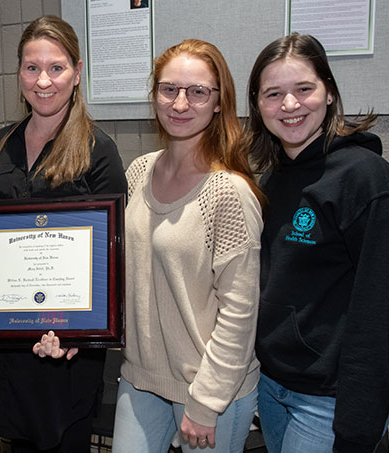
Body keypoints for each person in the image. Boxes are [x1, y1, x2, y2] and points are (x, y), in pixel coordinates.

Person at [246, 33, 389, 453]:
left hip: (330, 401)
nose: (289, 105)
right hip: (273, 387)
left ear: (329, 92)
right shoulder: (274, 177)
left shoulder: (370, 181)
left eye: (304, 89)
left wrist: (359, 422)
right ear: (257, 105)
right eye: (273, 94)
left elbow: (382, 312)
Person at [0, 15, 127, 452]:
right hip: (6, 342)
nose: (43, 80)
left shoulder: (99, 150)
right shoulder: (1, 142)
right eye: (31, 67)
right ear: (19, 71)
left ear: (77, 72)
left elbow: (111, 257)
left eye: (56, 68)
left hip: (65, 353)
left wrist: (78, 332)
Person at [110, 39, 264, 453]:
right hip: (141, 379)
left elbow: (239, 311)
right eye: (168, 89)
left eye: (197, 92)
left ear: (218, 102)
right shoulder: (139, 171)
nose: (180, 103)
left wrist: (206, 403)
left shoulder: (228, 192)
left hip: (210, 392)